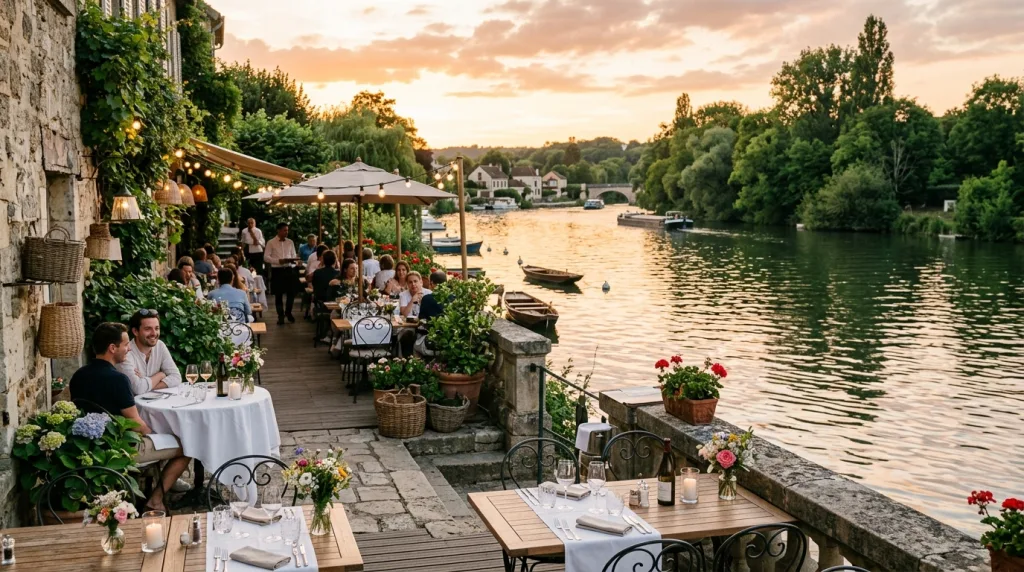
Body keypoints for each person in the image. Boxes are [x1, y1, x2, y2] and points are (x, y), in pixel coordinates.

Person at [70, 323, 192, 512]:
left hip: (90, 446)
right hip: (122, 449)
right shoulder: (117, 379)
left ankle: (153, 483)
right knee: (188, 446)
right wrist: (152, 434)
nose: (128, 349)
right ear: (112, 348)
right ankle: (156, 499)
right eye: (126, 345)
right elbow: (136, 424)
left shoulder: (78, 375)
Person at [117, 309, 184, 396]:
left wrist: (145, 385)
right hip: (134, 408)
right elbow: (137, 388)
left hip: (157, 404)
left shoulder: (160, 346)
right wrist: (160, 375)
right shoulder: (126, 352)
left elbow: (177, 377)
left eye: (157, 328)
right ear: (135, 331)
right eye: (148, 329)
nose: (154, 333)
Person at [264, 222, 299, 324]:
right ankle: (280, 315)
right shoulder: (271, 242)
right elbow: (266, 257)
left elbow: (293, 255)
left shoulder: (290, 242)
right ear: (278, 231)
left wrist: (294, 262)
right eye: (284, 230)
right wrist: (278, 261)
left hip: (289, 269)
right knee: (278, 294)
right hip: (277, 270)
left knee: (291, 293)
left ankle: (288, 312)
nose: (286, 232)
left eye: (287, 230)